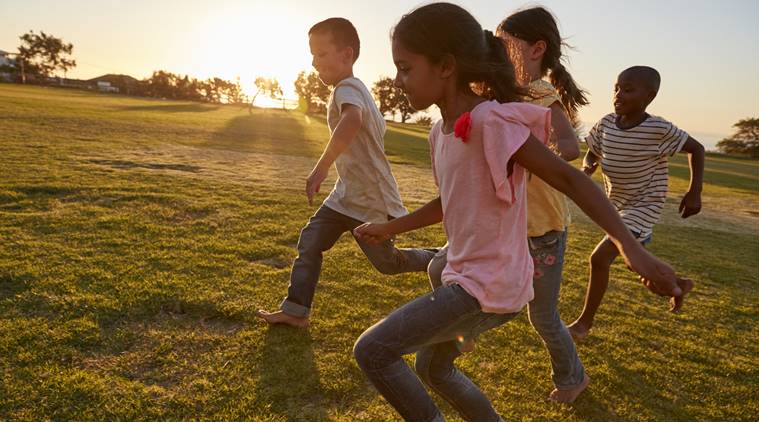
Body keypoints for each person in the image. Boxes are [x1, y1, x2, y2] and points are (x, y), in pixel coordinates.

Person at [351, 4, 690, 420]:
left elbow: (571, 179)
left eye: (405, 68)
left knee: (373, 350)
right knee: (433, 369)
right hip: (468, 275)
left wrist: (632, 250)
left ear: (445, 66)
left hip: (487, 285)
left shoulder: (492, 121)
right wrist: (392, 228)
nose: (398, 81)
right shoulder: (441, 132)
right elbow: (450, 202)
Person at [426, 5, 590, 403]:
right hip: (501, 226)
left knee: (543, 315)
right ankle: (462, 334)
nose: (497, 51)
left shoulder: (541, 94)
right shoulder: (495, 94)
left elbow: (569, 147)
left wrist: (527, 156)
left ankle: (572, 379)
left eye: (506, 44)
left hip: (540, 228)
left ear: (536, 49)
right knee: (439, 267)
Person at [256, 17, 436, 328]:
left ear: (347, 55)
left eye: (321, 54)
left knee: (388, 264)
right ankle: (296, 311)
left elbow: (352, 120)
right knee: (310, 240)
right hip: (345, 196)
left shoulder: (348, 89)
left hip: (371, 202)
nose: (314, 62)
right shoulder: (357, 89)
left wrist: (321, 167)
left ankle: (440, 258)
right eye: (312, 55)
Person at [567, 65, 702, 340]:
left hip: (643, 207)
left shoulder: (658, 128)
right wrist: (588, 166)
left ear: (649, 97)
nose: (618, 95)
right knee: (634, 263)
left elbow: (697, 149)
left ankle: (583, 324)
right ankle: (676, 285)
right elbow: (593, 152)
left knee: (599, 258)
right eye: (616, 88)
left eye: (627, 90)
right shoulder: (605, 123)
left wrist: (694, 192)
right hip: (615, 207)